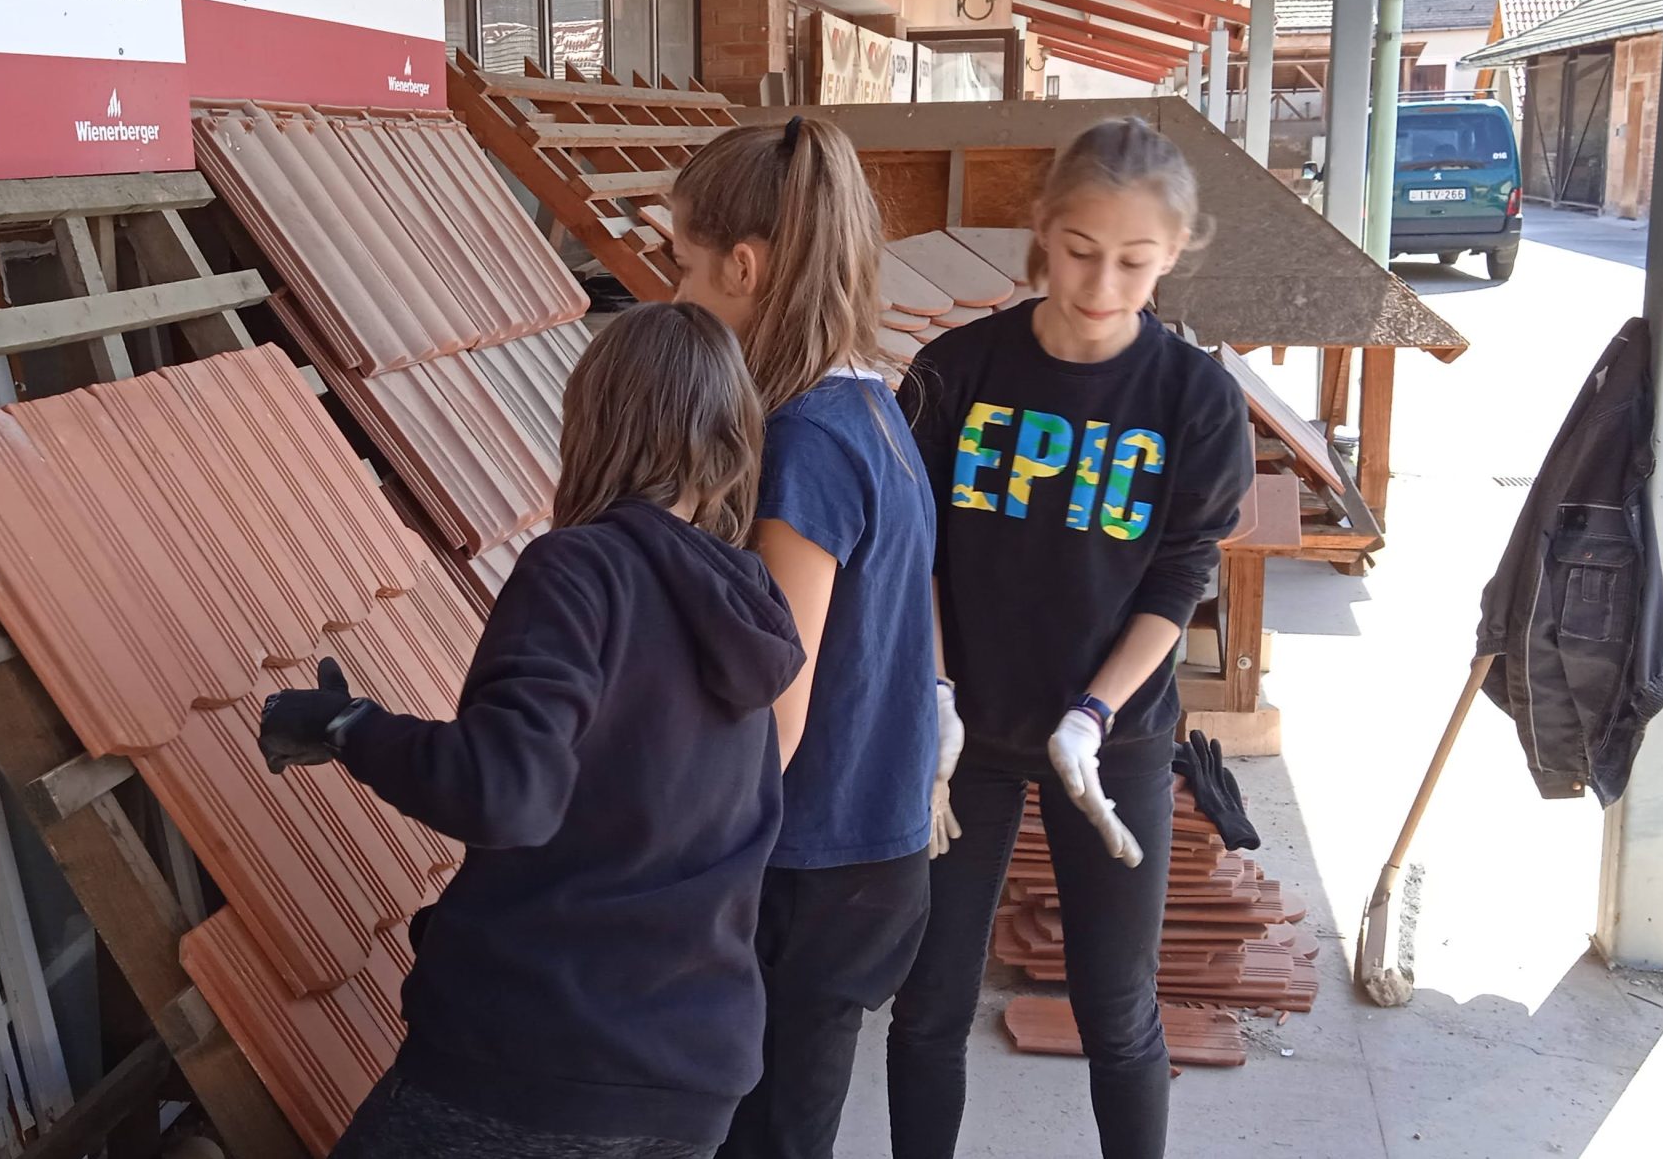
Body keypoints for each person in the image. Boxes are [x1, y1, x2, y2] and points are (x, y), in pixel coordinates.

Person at [254, 302, 808, 1159]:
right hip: (693, 1076)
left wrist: (351, 726)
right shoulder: (745, 602)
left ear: (593, 423)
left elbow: (505, 793)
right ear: (730, 445)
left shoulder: (580, 569)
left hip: (540, 1054)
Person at [887, 117, 1254, 1159]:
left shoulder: (1194, 400)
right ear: (1043, 228)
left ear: (1173, 254)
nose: (1101, 285)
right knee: (928, 1000)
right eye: (1081, 251)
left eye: (1134, 262)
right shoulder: (955, 370)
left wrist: (1094, 714)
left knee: (1116, 1008)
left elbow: (1180, 574)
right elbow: (913, 555)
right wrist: (933, 694)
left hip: (1110, 739)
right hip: (963, 733)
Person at [670, 117, 945, 1159]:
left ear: (743, 268)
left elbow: (772, 714)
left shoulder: (804, 444)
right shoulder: (872, 405)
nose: (675, 294)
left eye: (683, 265)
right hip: (868, 850)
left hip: (812, 867)